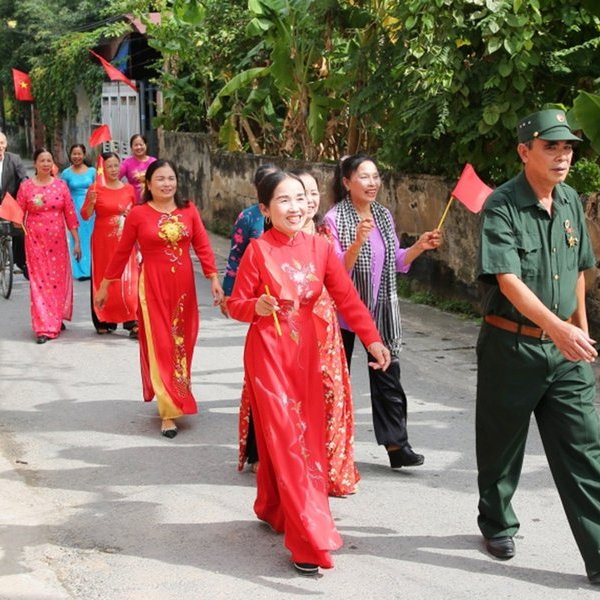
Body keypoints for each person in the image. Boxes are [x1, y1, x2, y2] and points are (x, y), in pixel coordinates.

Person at [227, 170, 391, 574]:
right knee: (287, 442)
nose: (295, 207)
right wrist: (256, 307)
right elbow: (235, 305)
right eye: (283, 200)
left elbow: (346, 297)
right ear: (265, 209)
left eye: (300, 198)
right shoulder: (258, 251)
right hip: (268, 357)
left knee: (306, 441)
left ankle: (270, 506)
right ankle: (309, 541)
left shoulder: (320, 248)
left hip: (307, 356)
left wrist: (372, 339)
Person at [476, 108, 600, 584]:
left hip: (566, 353)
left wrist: (579, 334)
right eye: (551, 146)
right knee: (502, 444)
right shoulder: (502, 205)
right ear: (524, 151)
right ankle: (498, 521)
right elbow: (508, 281)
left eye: (567, 147)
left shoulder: (569, 201)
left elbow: (579, 275)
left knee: (585, 450)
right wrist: (558, 329)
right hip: (513, 347)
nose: (562, 155)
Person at [324, 153, 442, 469]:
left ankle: (396, 445)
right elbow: (334, 273)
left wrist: (420, 246)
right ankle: (331, 448)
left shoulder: (383, 215)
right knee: (337, 381)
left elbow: (398, 262)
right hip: (343, 313)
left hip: (381, 309)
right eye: (364, 176)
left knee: (389, 377)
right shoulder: (334, 219)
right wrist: (358, 242)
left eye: (376, 176)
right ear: (347, 182)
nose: (372, 182)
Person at [95, 159, 224, 438]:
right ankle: (168, 411)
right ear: (149, 184)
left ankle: (178, 392)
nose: (167, 184)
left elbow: (202, 244)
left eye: (171, 178)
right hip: (152, 286)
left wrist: (213, 278)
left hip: (184, 289)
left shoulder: (189, 210)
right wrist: (105, 285)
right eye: (161, 179)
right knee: (161, 344)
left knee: (182, 343)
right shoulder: (139, 214)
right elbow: (121, 252)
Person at [296, 168, 361, 496]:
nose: (307, 201)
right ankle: (299, 468)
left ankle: (333, 470)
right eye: (299, 194)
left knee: (332, 396)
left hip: (327, 330)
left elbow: (342, 284)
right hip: (293, 335)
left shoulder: (325, 237)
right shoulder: (274, 242)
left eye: (312, 194)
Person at [222, 162, 279, 472]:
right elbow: (235, 255)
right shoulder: (248, 219)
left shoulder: (306, 229)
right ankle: (258, 453)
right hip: (261, 313)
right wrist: (233, 296)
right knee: (261, 391)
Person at [16, 148, 81, 344]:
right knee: (39, 282)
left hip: (58, 241)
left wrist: (77, 241)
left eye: (48, 160)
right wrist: (15, 220)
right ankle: (44, 327)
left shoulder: (61, 186)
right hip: (35, 241)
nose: (45, 164)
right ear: (35, 164)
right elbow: (18, 215)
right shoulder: (26, 187)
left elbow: (70, 215)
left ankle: (54, 316)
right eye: (42, 160)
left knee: (56, 281)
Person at [81, 151, 138, 336]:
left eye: (116, 165)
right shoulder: (95, 188)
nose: (113, 169)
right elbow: (85, 215)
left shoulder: (128, 189)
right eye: (109, 166)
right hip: (102, 240)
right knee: (103, 277)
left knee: (128, 279)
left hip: (125, 239)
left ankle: (132, 321)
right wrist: (91, 202)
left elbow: (137, 214)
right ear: (102, 168)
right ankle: (103, 319)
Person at [60, 144, 96, 279]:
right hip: (74, 209)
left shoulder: (92, 171)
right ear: (70, 155)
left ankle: (92, 269)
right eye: (74, 154)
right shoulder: (66, 173)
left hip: (90, 210)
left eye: (79, 153)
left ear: (84, 154)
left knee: (91, 238)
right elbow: (62, 193)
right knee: (77, 238)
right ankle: (80, 271)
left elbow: (98, 189)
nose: (77, 157)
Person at [0, 131, 28, 277]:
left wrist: (23, 193)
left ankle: (20, 262)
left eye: (1, 143)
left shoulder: (14, 159)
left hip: (11, 203)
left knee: (19, 232)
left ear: (6, 145)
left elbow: (23, 177)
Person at [119, 134, 157, 204]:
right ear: (131, 147)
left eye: (141, 144)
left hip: (152, 201)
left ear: (146, 145)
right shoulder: (126, 163)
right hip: (134, 202)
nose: (139, 147)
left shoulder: (153, 162)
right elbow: (116, 177)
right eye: (136, 145)